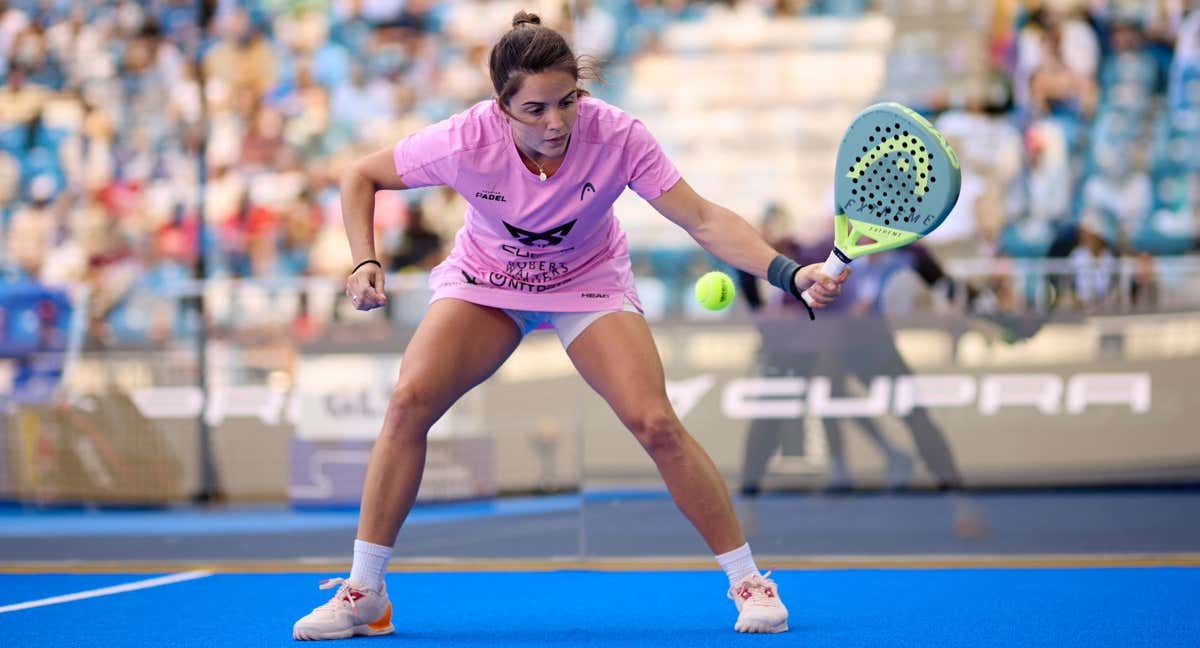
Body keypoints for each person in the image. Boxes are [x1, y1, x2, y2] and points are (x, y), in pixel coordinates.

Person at [291, 11, 848, 641]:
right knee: (408, 402)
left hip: (588, 282)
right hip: (487, 282)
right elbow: (359, 174)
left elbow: (702, 219)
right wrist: (364, 258)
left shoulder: (618, 136)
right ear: (500, 106)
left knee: (655, 422)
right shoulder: (462, 140)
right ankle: (366, 591)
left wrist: (788, 274)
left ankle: (748, 580)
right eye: (534, 110)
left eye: (567, 102)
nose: (555, 123)